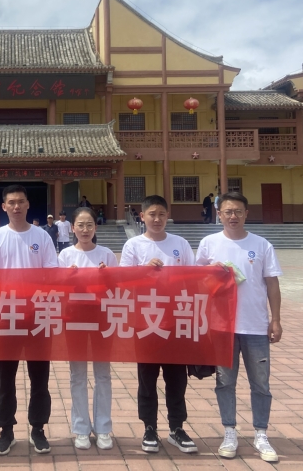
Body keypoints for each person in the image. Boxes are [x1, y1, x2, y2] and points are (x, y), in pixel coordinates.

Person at [196, 192, 282, 463]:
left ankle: (261, 433)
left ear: (246, 213)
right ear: (219, 214)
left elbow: (272, 284)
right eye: (228, 212)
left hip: (255, 326)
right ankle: (229, 431)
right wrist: (211, 272)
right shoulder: (209, 244)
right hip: (222, 327)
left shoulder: (262, 244)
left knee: (261, 383)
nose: (233, 216)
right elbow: (196, 281)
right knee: (225, 382)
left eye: (238, 211)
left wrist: (276, 319)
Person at [0, 184, 58, 456]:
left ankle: (38, 429)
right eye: (11, 202)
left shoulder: (42, 237)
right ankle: (6, 430)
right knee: (5, 378)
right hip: (6, 317)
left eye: (21, 201)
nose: (16, 206)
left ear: (28, 204)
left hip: (37, 317)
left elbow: (51, 275)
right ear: (3, 206)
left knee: (39, 378)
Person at [120, 194, 198, 456]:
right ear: (142, 216)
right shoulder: (133, 245)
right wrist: (144, 269)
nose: (157, 219)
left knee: (176, 379)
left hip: (175, 321)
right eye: (152, 214)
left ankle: (177, 428)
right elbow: (123, 280)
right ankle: (149, 427)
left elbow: (193, 279)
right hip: (145, 323)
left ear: (168, 216)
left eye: (161, 214)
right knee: (147, 378)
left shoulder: (181, 244)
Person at [58, 207, 117, 451]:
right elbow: (57, 290)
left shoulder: (107, 255)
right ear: (72, 228)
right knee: (78, 375)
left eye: (89, 225)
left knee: (103, 375)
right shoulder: (64, 255)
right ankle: (81, 428)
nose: (85, 230)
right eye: (80, 225)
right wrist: (67, 278)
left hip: (102, 319)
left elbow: (116, 289)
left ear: (96, 227)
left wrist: (107, 277)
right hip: (75, 319)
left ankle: (103, 428)